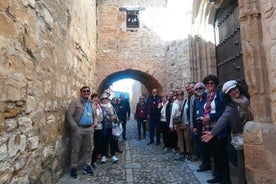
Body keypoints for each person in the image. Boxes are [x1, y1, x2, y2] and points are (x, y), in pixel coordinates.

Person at [202, 80, 253, 184]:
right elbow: (223, 119)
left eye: (234, 89)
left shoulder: (248, 99)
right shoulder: (231, 106)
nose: (233, 92)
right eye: (230, 92)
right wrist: (212, 133)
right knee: (242, 164)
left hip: (254, 136)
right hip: (242, 139)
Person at [198, 74, 229, 184]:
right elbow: (206, 110)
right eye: (207, 84)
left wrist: (210, 117)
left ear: (215, 84)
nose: (210, 85)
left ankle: (226, 179)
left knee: (222, 154)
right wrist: (203, 117)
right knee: (214, 153)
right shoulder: (208, 97)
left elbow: (224, 112)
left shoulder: (220, 95)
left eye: (212, 83)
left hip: (219, 128)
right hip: (209, 128)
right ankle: (218, 175)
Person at [66, 86, 98, 179]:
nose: (86, 92)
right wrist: (75, 127)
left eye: (88, 91)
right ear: (81, 93)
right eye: (84, 91)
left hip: (89, 129)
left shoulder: (92, 103)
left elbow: (95, 116)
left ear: (89, 92)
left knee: (89, 149)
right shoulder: (75, 102)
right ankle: (73, 167)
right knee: (75, 149)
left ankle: (87, 166)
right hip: (78, 129)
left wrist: (94, 125)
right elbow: (69, 115)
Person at [100, 93, 120, 164]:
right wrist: (105, 119)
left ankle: (113, 155)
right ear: (101, 100)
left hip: (111, 127)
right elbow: (98, 117)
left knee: (112, 141)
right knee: (104, 141)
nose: (105, 100)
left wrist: (114, 119)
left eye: (106, 98)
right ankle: (103, 156)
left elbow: (115, 115)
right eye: (103, 99)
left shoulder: (111, 106)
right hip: (103, 127)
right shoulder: (100, 107)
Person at [169, 90, 187, 160]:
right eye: (178, 95)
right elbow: (172, 115)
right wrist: (171, 125)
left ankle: (188, 152)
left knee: (186, 137)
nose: (180, 96)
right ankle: (182, 152)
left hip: (185, 122)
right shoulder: (175, 103)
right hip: (178, 122)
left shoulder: (186, 101)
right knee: (180, 138)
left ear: (183, 95)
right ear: (176, 96)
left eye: (181, 94)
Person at [90, 93, 104, 169]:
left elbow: (101, 117)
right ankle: (91, 161)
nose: (96, 99)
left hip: (99, 127)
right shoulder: (90, 106)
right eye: (94, 98)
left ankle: (94, 160)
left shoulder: (99, 107)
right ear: (92, 99)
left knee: (98, 144)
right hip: (93, 127)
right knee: (92, 145)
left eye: (97, 98)